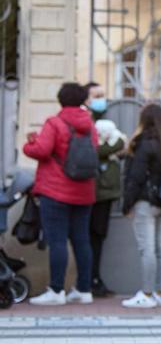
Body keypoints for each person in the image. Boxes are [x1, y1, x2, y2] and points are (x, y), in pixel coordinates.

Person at [24, 83, 98, 306]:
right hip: (84, 192)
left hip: (56, 191)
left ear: (61, 100)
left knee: (57, 241)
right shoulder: (90, 125)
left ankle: (56, 290)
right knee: (82, 240)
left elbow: (42, 150)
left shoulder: (54, 123)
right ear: (83, 100)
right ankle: (84, 290)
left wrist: (29, 144)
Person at [121, 103, 161, 309]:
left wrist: (127, 204)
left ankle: (146, 294)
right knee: (159, 248)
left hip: (145, 202)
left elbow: (135, 177)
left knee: (146, 249)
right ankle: (159, 293)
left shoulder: (144, 143)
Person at [84, 82, 125, 298]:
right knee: (90, 237)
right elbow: (97, 149)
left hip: (105, 189)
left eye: (103, 94)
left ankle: (94, 279)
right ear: (86, 99)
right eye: (96, 95)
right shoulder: (84, 121)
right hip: (93, 188)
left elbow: (123, 146)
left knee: (97, 237)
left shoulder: (104, 121)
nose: (101, 99)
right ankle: (89, 280)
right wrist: (113, 148)